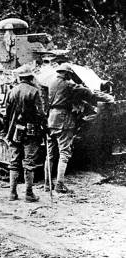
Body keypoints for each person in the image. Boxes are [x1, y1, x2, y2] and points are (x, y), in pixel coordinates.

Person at [46, 63, 96, 193]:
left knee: (50, 154)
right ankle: (59, 185)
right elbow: (84, 91)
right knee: (64, 153)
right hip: (63, 121)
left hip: (51, 120)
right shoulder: (68, 84)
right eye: (70, 75)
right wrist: (90, 91)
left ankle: (47, 184)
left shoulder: (51, 83)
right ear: (67, 73)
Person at [4, 65, 46, 202]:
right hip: (31, 132)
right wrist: (44, 127)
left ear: (20, 78)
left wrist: (8, 130)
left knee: (14, 161)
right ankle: (28, 193)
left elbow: (7, 113)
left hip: (15, 131)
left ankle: (12, 193)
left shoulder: (12, 91)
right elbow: (40, 113)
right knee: (29, 162)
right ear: (30, 77)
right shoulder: (34, 92)